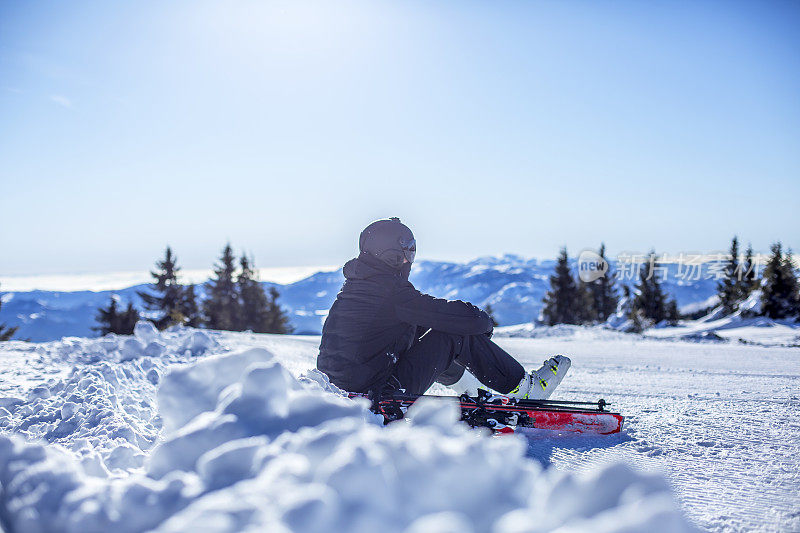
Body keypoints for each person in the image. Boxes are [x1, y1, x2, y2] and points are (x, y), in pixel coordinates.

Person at [316, 217, 570, 398]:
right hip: (377, 395)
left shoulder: (357, 288)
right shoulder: (391, 294)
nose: (410, 259)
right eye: (407, 251)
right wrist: (483, 322)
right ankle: (526, 389)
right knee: (452, 333)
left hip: (346, 389)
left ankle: (471, 391)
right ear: (390, 255)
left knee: (422, 332)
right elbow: (464, 320)